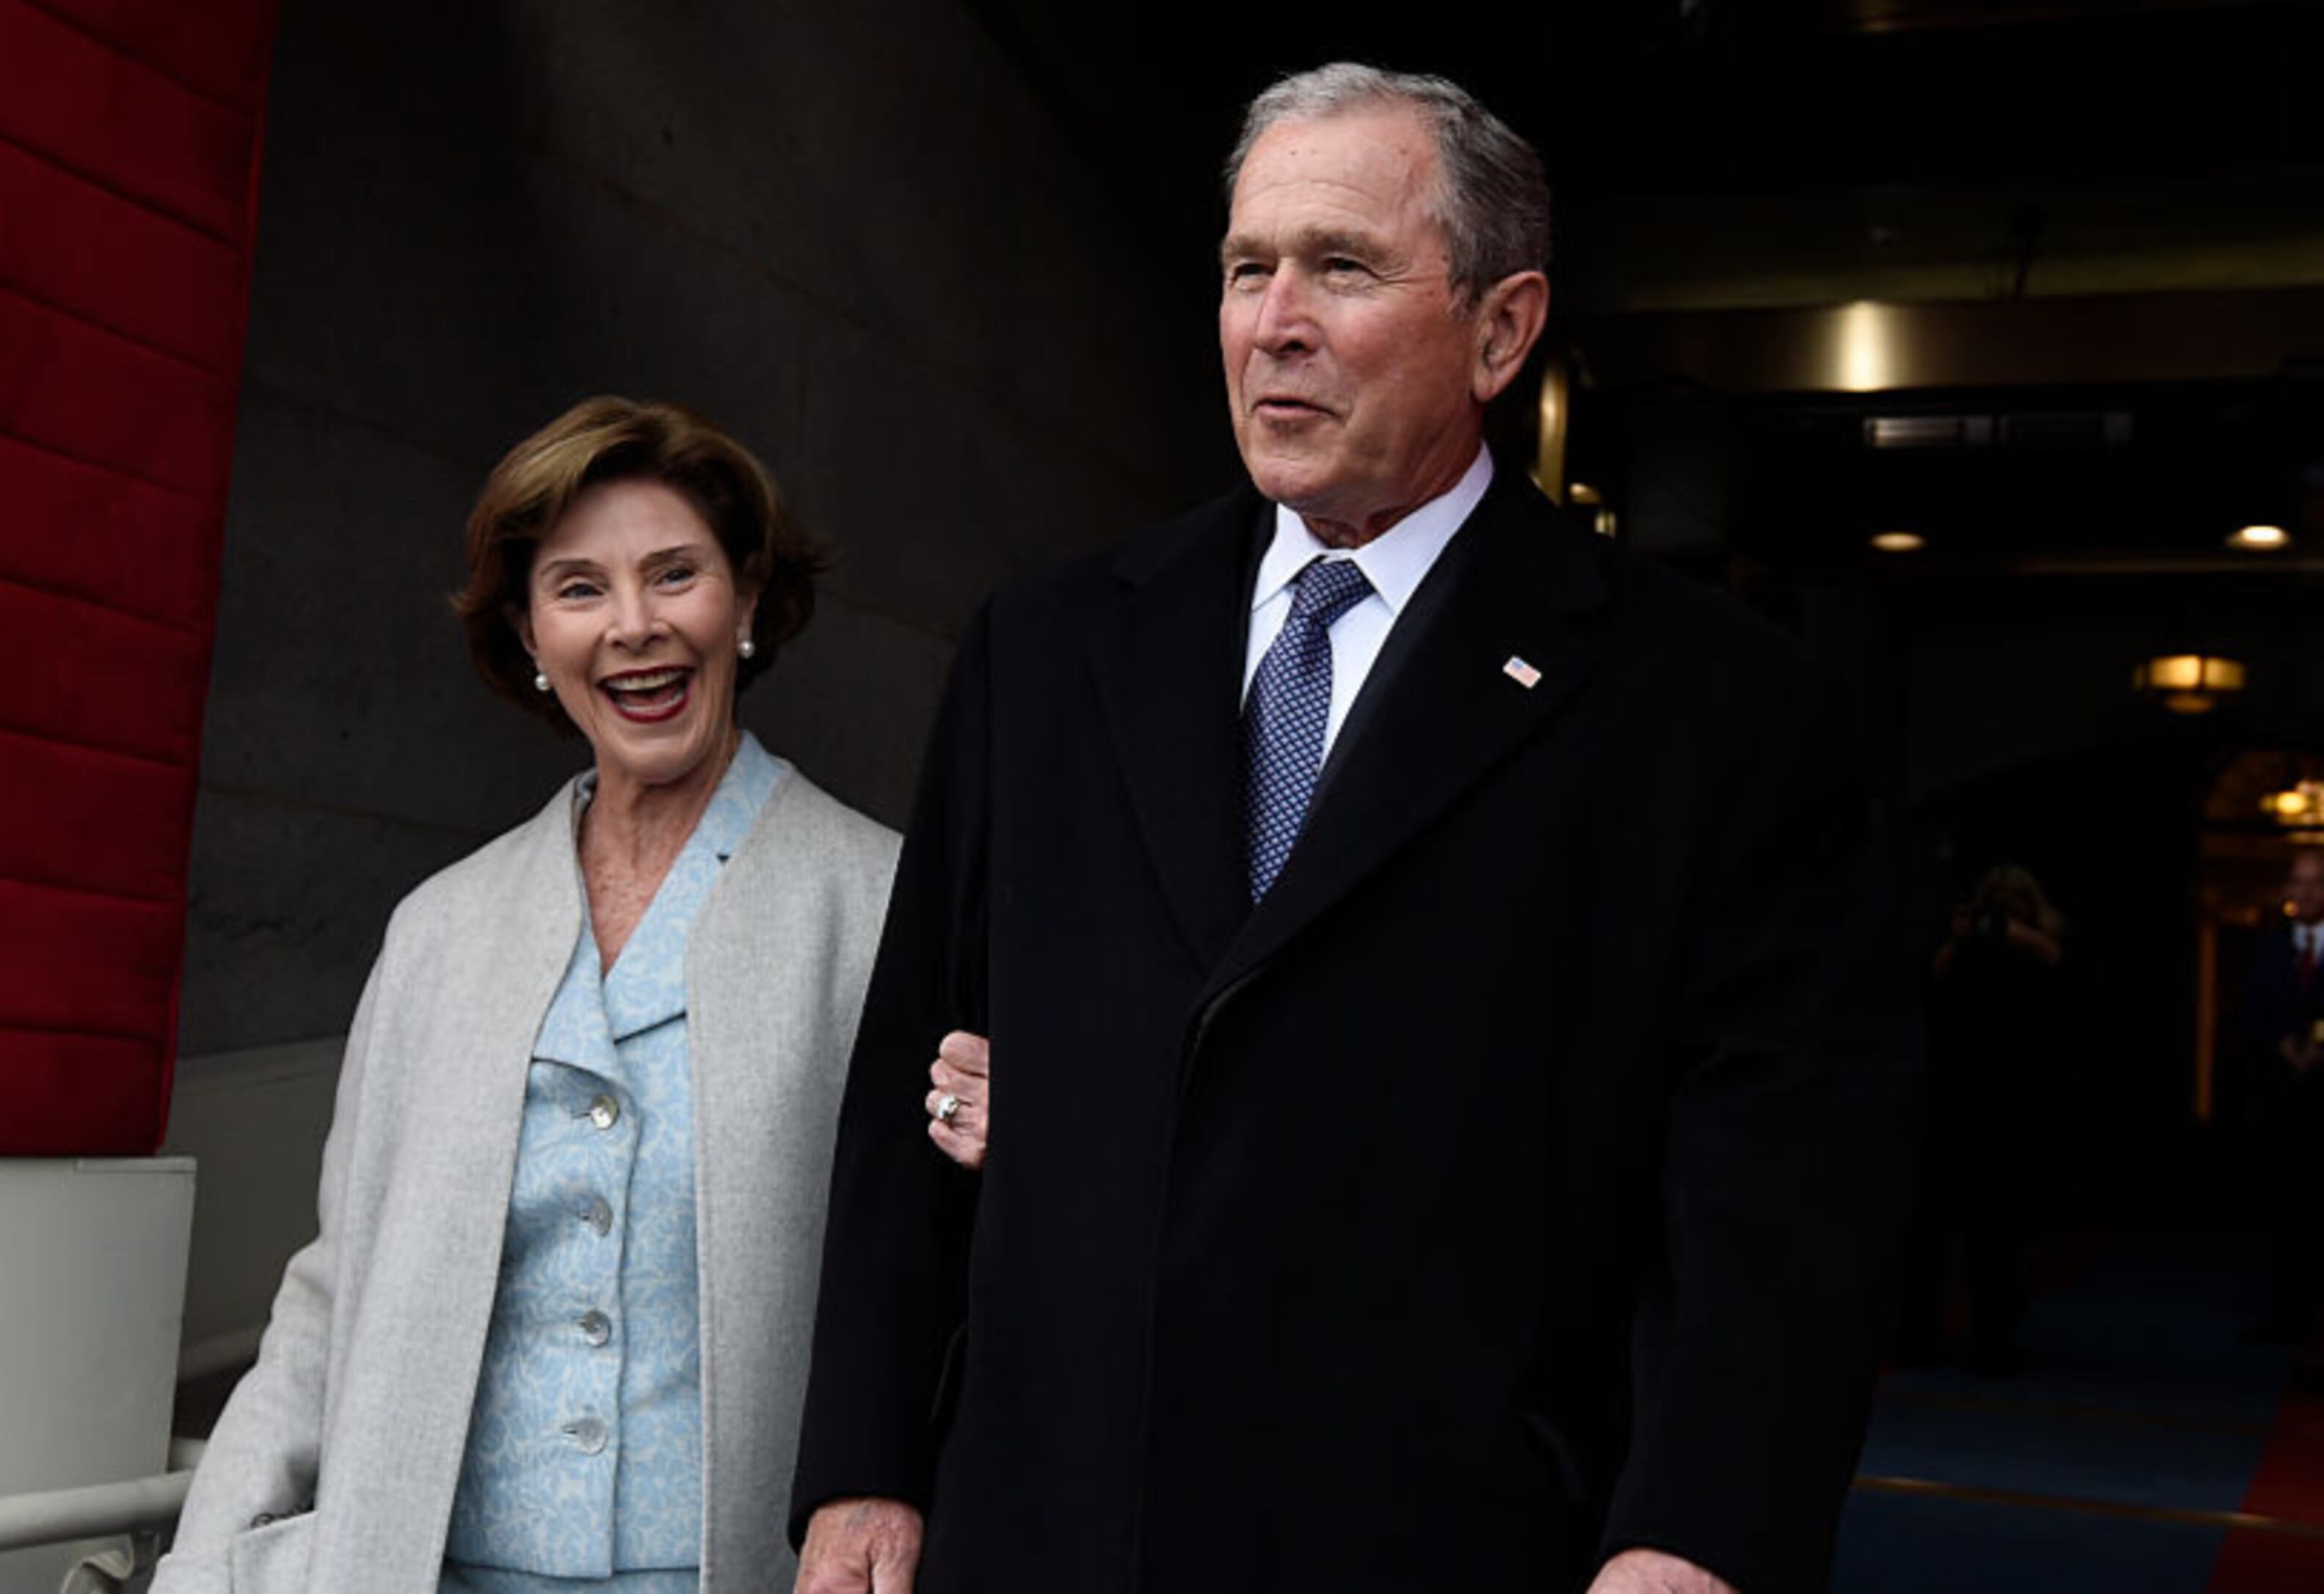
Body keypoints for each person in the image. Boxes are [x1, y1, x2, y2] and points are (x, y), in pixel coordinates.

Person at [789, 63, 1918, 1594]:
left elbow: (1781, 1196)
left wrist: (1695, 1538)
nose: (1276, 323)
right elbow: (907, 1081)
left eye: (1343, 267)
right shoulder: (1046, 652)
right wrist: (862, 1468)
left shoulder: (1712, 709)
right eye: (1249, 269)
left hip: (1453, 1536)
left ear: (1503, 330)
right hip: (1045, 1527)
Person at [154, 398, 900, 1594]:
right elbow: (337, 1284)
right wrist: (205, 1556)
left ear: (749, 600)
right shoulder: (440, 931)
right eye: (580, 589)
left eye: (676, 575)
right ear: (528, 635)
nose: (636, 629)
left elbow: (948, 1302)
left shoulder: (880, 908)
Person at [1900, 865, 2066, 1374]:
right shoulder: (1963, 949)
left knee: (1997, 1231)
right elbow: (1929, 982)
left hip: (2008, 1109)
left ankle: (1994, 1337)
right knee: (1928, 1229)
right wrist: (1959, 941)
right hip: (1947, 1101)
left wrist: (2020, 937)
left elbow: (2058, 971)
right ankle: (1918, 1337)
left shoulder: (2037, 951)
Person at [2244, 851, 2324, 1342]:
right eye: (2300, 882)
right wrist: (2282, 1045)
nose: (2307, 892)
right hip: (2281, 1100)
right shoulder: (2271, 949)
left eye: (2317, 883)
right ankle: (2280, 1314)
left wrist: (2321, 1044)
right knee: (2282, 1207)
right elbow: (2254, 1010)